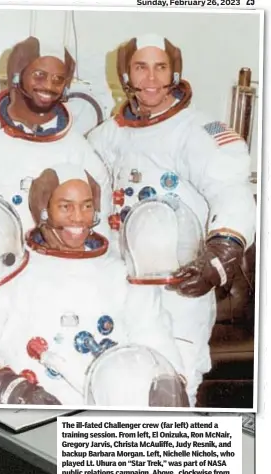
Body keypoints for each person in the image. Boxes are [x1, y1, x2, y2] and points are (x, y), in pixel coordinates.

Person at [87, 33, 257, 405]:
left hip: (181, 283)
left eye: (160, 68)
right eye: (140, 68)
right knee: (121, 382)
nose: (150, 79)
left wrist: (221, 254)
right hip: (122, 282)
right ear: (126, 75)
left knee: (174, 385)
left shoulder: (198, 131)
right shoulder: (109, 134)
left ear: (175, 73)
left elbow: (232, 189)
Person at [0, 164, 188, 407]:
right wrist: (8, 388)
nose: (78, 217)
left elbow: (154, 336)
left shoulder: (122, 274)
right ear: (43, 210)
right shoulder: (8, 273)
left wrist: (166, 384)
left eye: (87, 206)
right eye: (65, 206)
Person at [0, 36, 113, 239]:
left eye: (58, 79)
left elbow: (100, 231)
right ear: (16, 76)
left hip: (54, 263)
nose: (49, 85)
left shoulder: (79, 150)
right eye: (39, 75)